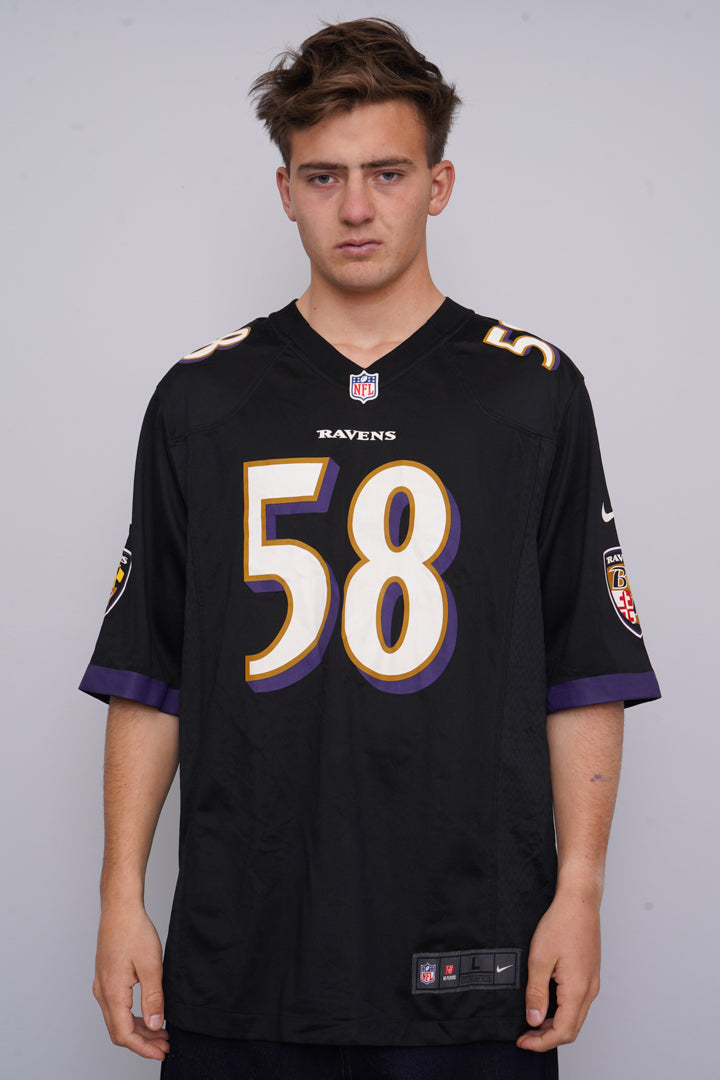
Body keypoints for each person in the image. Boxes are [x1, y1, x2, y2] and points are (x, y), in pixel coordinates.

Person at [81, 18, 660, 1079]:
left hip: (471, 946)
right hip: (244, 946)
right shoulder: (202, 398)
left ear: (439, 183)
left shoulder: (531, 393)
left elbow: (584, 666)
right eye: (325, 177)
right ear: (285, 190)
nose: (356, 208)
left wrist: (580, 892)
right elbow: (149, 672)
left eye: (387, 173)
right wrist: (121, 895)